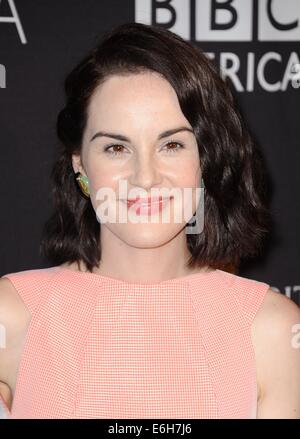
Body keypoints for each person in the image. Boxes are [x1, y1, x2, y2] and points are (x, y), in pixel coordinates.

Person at [0, 22, 299, 419]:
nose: (145, 178)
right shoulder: (13, 315)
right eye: (116, 147)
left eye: (171, 144)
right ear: (80, 165)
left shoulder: (274, 331)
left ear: (204, 159)